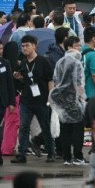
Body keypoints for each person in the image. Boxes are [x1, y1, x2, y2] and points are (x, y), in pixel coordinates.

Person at [11, 35, 55, 164]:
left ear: (35, 46)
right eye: (23, 46)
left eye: (27, 45)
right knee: (24, 127)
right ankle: (22, 154)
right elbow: (27, 80)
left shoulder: (43, 61)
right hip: (26, 100)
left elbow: (50, 80)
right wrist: (19, 78)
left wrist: (50, 96)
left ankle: (51, 152)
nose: (24, 48)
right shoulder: (23, 62)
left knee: (45, 127)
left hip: (41, 100)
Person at [49, 36, 87, 166]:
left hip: (62, 101)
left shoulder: (59, 62)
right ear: (69, 47)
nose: (79, 48)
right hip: (74, 101)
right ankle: (78, 156)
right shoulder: (76, 63)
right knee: (77, 130)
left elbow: (56, 80)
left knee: (65, 130)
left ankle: (66, 157)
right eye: (77, 45)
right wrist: (83, 98)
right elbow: (78, 83)